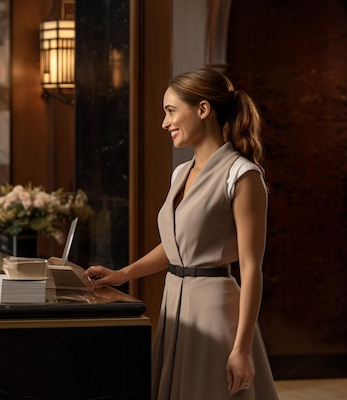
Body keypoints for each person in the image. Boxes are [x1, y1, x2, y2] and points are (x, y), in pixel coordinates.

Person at [85, 69, 279, 399]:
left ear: (203, 109)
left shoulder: (242, 175)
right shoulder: (181, 172)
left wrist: (242, 348)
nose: (164, 123)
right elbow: (176, 246)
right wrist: (122, 274)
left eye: (171, 111)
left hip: (214, 313)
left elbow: (251, 268)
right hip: (174, 304)